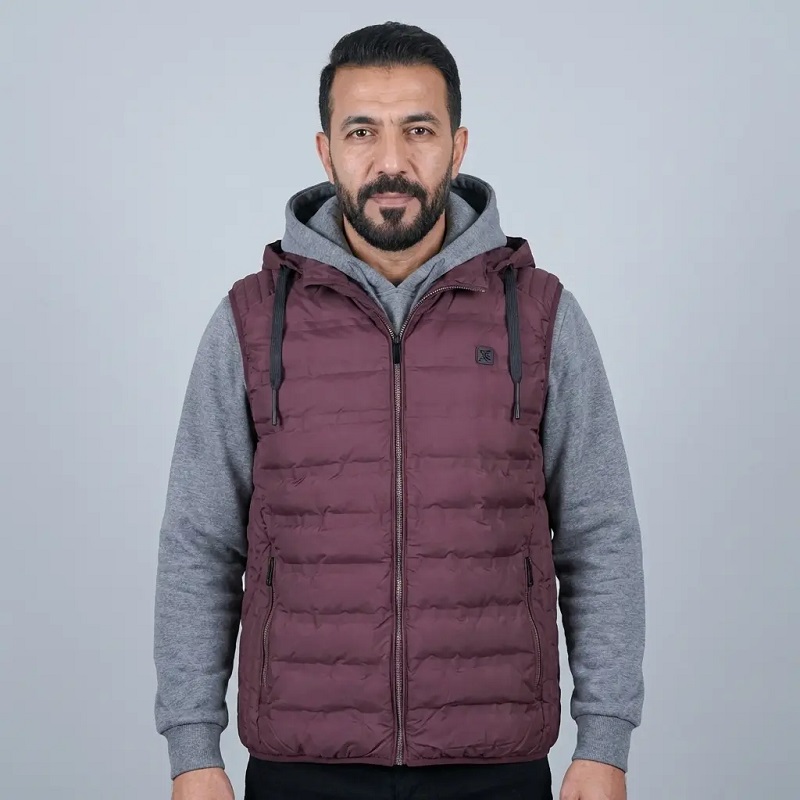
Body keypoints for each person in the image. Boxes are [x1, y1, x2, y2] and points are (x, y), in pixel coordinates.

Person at [153, 21, 645, 800]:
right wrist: (193, 751)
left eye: (419, 130)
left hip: (494, 767)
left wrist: (605, 741)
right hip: (301, 768)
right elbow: (198, 544)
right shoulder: (252, 321)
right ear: (325, 153)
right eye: (362, 132)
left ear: (458, 145)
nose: (391, 162)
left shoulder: (540, 315)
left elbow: (600, 534)